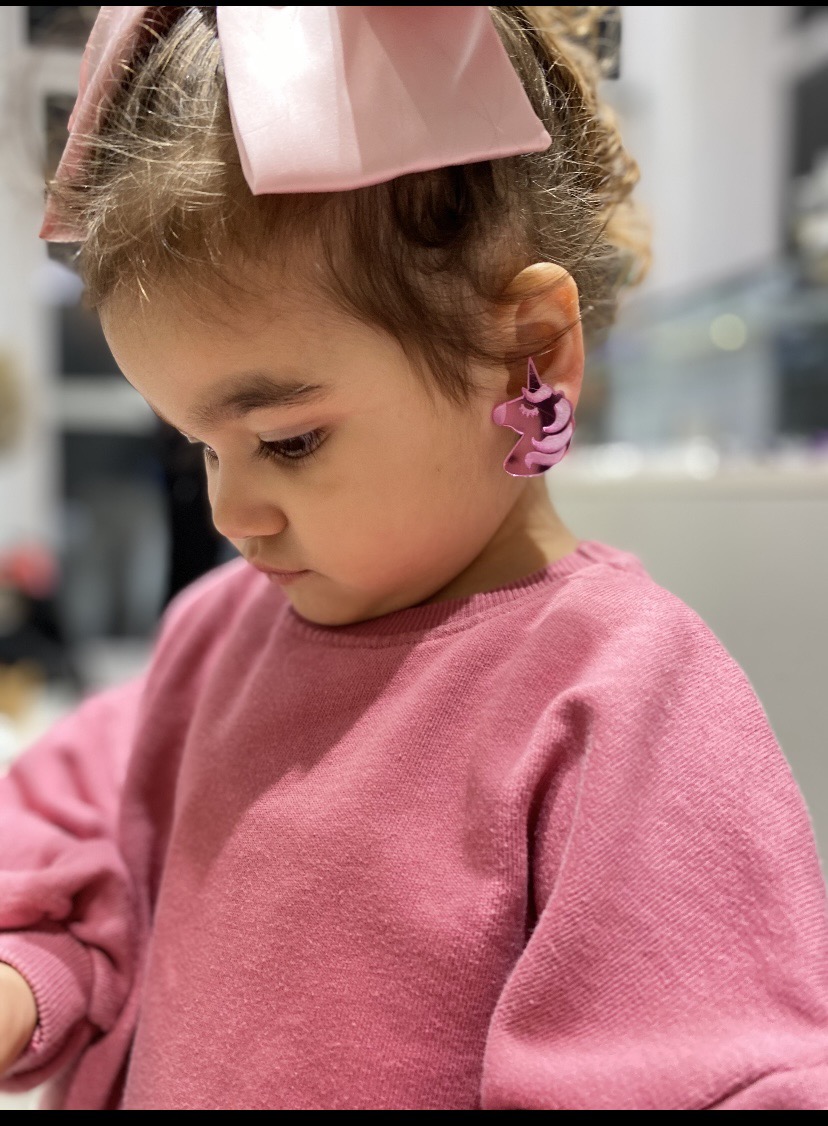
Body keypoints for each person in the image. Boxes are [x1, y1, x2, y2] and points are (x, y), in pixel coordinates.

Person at [1, 5, 826, 1111]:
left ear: (528, 351)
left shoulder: (622, 697)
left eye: (288, 440)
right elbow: (69, 833)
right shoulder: (216, 635)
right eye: (199, 445)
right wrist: (26, 972)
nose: (233, 510)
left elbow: (707, 1073)